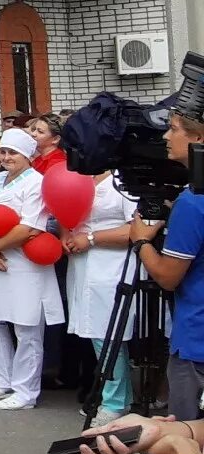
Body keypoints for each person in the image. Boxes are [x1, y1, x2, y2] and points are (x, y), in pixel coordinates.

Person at [0, 127, 62, 410]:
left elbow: (30, 227)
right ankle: (5, 379)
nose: (7, 157)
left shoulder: (37, 182)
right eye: (4, 152)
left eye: (13, 153)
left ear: (27, 156)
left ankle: (26, 392)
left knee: (27, 327)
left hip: (25, 262)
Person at [128, 106, 204, 422]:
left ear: (198, 137)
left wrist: (142, 241)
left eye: (173, 128)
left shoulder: (193, 203)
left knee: (186, 442)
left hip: (196, 341)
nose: (165, 136)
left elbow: (167, 277)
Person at [62, 169, 135, 428]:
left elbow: (137, 228)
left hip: (111, 264)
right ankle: (109, 395)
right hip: (82, 265)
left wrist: (92, 238)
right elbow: (64, 212)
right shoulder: (77, 176)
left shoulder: (122, 179)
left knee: (109, 333)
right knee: (94, 333)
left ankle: (116, 402)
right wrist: (65, 236)